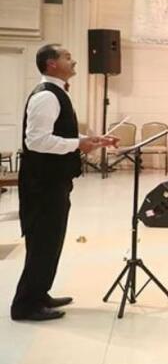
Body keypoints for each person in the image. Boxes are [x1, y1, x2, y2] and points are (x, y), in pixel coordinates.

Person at [12, 44, 115, 322]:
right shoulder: (46, 97)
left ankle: (39, 293)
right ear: (51, 64)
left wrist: (89, 140)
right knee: (43, 241)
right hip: (42, 184)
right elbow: (37, 141)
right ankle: (24, 305)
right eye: (67, 57)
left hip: (52, 181)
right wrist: (78, 143)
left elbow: (57, 134)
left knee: (50, 240)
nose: (74, 60)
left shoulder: (56, 93)